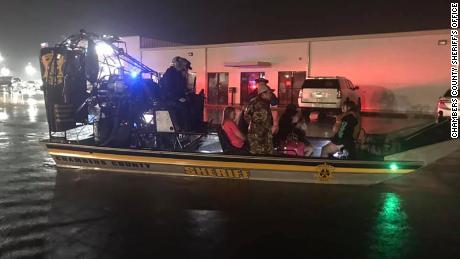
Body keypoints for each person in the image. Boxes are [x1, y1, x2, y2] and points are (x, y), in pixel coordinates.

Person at [159, 56, 192, 131]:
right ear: (178, 65)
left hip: (176, 97)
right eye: (184, 68)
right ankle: (182, 129)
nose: (186, 70)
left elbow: (181, 88)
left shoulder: (179, 74)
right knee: (184, 108)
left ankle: (190, 126)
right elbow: (167, 90)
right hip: (168, 99)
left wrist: (187, 93)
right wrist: (178, 98)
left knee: (192, 102)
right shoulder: (170, 74)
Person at [244, 84, 275, 155]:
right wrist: (271, 129)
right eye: (270, 93)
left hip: (255, 137)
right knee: (262, 159)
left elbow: (246, 116)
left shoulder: (253, 102)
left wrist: (252, 126)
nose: (271, 95)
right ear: (263, 94)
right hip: (261, 139)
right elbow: (262, 122)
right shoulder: (261, 105)